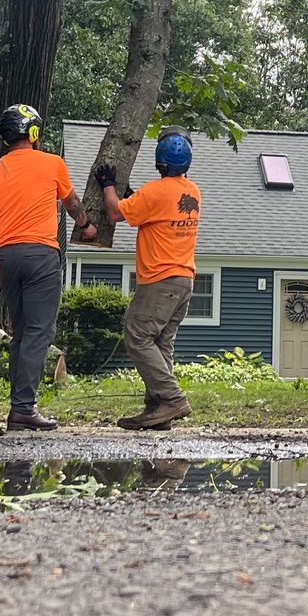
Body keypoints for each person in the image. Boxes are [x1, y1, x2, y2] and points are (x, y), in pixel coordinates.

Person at [0, 102, 97, 431]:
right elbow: (71, 203)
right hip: (40, 255)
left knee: (20, 333)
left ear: (4, 138)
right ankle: (24, 408)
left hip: (7, 257)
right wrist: (86, 226)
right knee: (40, 332)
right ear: (33, 133)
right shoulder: (52, 164)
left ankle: (19, 405)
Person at [94, 131, 201, 431]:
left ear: (160, 164)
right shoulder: (192, 192)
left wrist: (108, 186)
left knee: (137, 335)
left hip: (160, 280)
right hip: (184, 280)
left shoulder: (155, 192)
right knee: (162, 343)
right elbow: (151, 211)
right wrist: (130, 195)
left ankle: (172, 398)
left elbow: (115, 214)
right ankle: (157, 410)